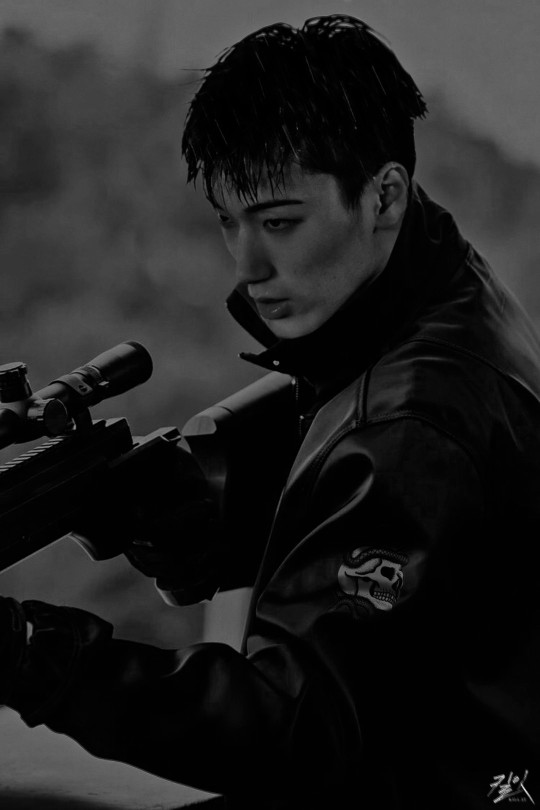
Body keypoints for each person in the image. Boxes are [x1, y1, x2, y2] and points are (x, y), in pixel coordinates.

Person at [2, 13, 540, 809]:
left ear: (384, 194)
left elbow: (297, 734)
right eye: (230, 221)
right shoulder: (442, 283)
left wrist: (29, 654)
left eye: (280, 222)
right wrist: (194, 507)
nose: (250, 265)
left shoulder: (407, 424)